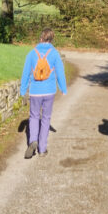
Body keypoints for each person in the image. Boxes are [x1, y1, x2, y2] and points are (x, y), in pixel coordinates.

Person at [20, 27, 67, 159]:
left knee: (34, 116)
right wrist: (63, 88)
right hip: (49, 91)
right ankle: (42, 149)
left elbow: (25, 73)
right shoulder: (54, 53)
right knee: (45, 119)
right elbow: (60, 72)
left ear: (40, 38)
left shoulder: (31, 53)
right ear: (51, 39)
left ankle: (33, 140)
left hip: (35, 91)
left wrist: (23, 90)